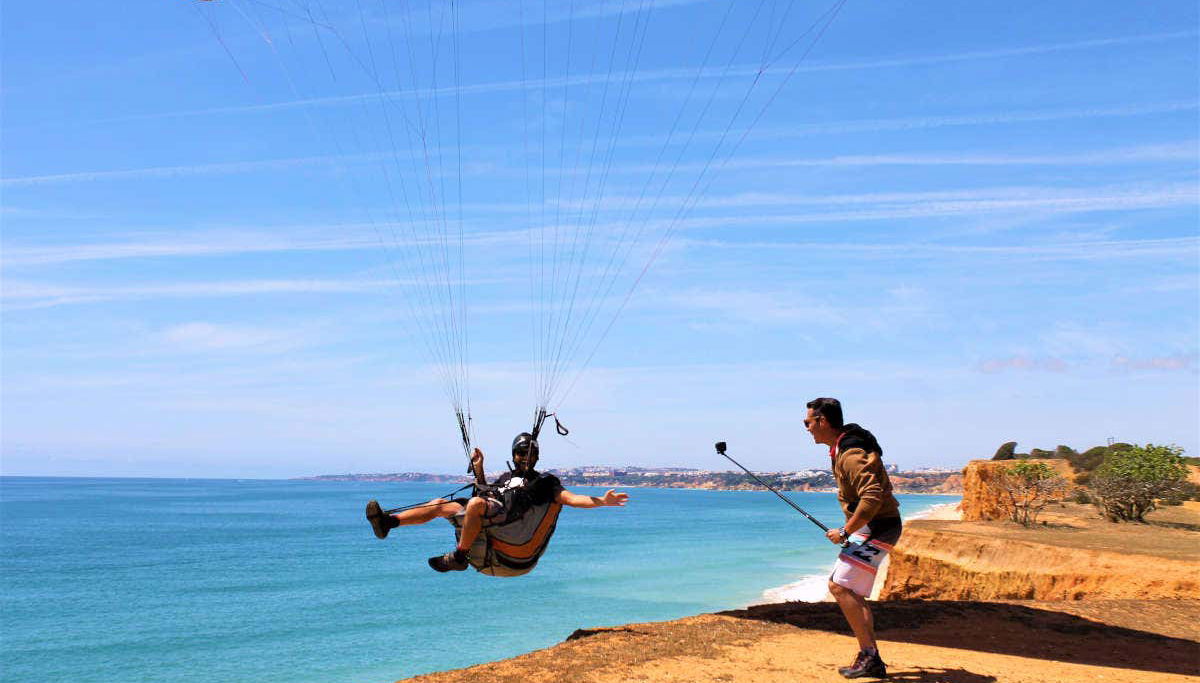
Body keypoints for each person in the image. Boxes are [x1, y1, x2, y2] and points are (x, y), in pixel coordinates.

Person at [365, 432, 628, 572]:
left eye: (530, 454)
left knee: (475, 505)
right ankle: (389, 522)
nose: (525, 457)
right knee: (440, 504)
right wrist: (479, 469)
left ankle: (459, 557)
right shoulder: (505, 478)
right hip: (492, 519)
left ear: (537, 457)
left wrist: (602, 501)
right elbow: (485, 494)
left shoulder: (545, 483)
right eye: (520, 453)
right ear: (513, 455)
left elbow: (572, 499)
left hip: (510, 529)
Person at [805, 397, 902, 679]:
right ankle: (870, 656)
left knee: (839, 586)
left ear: (822, 421)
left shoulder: (849, 453)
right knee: (850, 590)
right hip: (872, 527)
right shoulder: (844, 446)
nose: (807, 428)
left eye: (808, 422)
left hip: (880, 528)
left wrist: (845, 531)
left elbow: (872, 496)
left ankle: (870, 656)